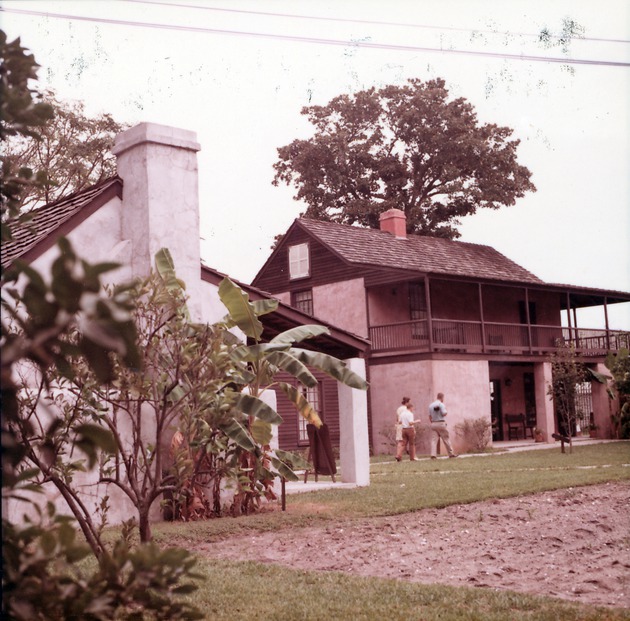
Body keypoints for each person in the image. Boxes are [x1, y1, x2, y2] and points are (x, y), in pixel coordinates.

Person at [428, 392, 457, 459]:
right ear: (442, 397)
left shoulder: (431, 405)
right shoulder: (441, 404)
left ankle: (433, 455)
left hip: (433, 423)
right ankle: (451, 454)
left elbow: (429, 416)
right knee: (446, 438)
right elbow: (444, 414)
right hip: (441, 423)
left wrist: (432, 422)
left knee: (434, 440)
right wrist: (446, 410)